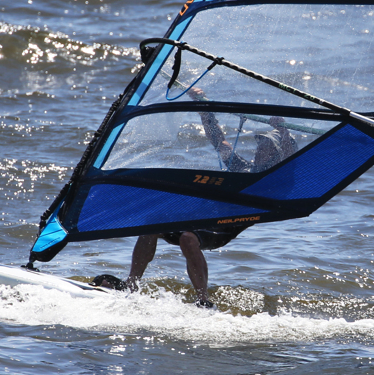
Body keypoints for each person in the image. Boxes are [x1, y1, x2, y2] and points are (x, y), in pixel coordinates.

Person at [93, 87, 297, 307]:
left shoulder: (274, 182)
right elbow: (218, 139)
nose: (259, 149)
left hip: (225, 226)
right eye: (260, 144)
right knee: (151, 224)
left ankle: (203, 301)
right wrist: (203, 104)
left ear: (277, 154)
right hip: (203, 220)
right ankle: (132, 285)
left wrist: (283, 132)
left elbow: (293, 163)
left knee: (187, 239)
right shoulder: (241, 168)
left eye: (266, 146)